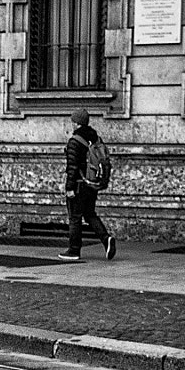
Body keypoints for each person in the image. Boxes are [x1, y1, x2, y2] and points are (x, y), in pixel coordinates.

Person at [56, 109, 115, 262]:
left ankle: (74, 250)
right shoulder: (95, 138)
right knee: (89, 214)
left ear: (76, 123)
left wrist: (69, 188)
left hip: (79, 184)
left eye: (73, 121)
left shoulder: (75, 141)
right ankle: (106, 238)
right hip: (91, 183)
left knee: (75, 217)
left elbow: (73, 167)